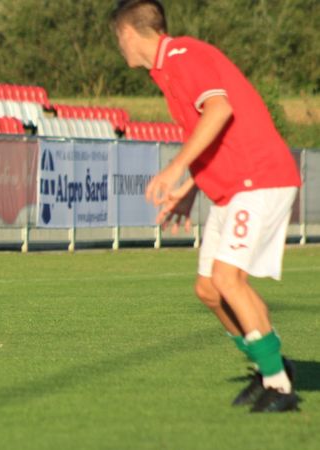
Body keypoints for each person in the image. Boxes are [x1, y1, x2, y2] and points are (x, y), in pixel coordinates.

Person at [111, 0, 302, 413]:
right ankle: (269, 365)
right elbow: (218, 132)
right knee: (210, 290)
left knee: (228, 279)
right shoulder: (168, 68)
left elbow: (220, 109)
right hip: (232, 186)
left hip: (259, 178)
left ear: (128, 32)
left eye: (117, 38)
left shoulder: (183, 55)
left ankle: (280, 386)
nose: (119, 47)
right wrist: (193, 187)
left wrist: (175, 169)